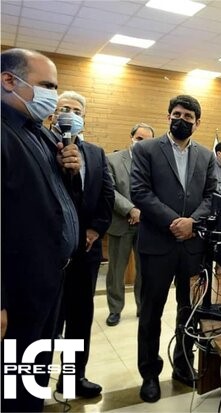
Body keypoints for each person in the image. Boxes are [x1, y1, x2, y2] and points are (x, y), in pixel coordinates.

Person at [1, 48, 82, 412]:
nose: (54, 96)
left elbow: (59, 198)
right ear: (8, 80)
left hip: (49, 277)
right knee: (12, 383)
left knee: (33, 372)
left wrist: (70, 171)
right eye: (47, 86)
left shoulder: (42, 134)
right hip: (16, 286)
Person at [131, 94, 217, 403]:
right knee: (150, 312)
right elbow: (139, 191)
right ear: (169, 116)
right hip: (157, 244)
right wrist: (174, 222)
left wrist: (192, 222)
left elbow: (212, 195)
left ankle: (183, 364)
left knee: (188, 310)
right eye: (176, 114)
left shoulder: (206, 156)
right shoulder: (146, 149)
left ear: (197, 122)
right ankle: (149, 373)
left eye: (188, 116)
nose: (181, 120)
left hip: (192, 247)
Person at [50, 91, 114, 398]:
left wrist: (94, 230)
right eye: (65, 108)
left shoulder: (96, 153)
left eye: (77, 110)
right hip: (49, 253)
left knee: (79, 318)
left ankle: (73, 378)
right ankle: (29, 386)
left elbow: (107, 195)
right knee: (47, 321)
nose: (70, 114)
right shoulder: (40, 145)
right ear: (54, 113)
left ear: (84, 117)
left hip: (86, 251)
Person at [105, 123, 155, 327]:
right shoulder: (112, 159)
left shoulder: (154, 163)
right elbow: (109, 190)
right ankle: (115, 310)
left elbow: (157, 192)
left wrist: (142, 212)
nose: (142, 143)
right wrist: (130, 209)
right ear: (132, 137)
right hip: (120, 222)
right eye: (139, 139)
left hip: (146, 225)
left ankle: (142, 307)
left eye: (147, 141)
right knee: (116, 271)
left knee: (145, 271)